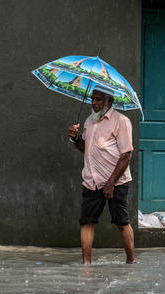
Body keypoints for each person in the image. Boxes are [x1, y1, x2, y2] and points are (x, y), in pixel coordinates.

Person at [67, 85, 135, 265]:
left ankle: (130, 262)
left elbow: (126, 154)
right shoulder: (89, 121)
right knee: (87, 222)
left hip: (116, 182)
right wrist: (75, 139)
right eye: (92, 99)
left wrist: (111, 183)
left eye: (98, 99)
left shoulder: (121, 121)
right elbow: (86, 148)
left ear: (109, 101)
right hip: (91, 181)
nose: (94, 103)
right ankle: (86, 264)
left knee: (122, 223)